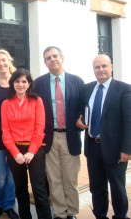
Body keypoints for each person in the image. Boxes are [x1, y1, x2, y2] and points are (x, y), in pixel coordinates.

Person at [76, 54, 131, 219]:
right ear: (93, 69)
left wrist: (127, 149)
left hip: (115, 149)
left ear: (111, 67)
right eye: (97, 67)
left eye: (104, 66)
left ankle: (120, 215)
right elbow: (81, 113)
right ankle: (100, 215)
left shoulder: (124, 89)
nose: (101, 70)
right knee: (97, 186)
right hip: (92, 146)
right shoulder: (87, 89)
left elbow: (129, 121)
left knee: (117, 186)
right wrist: (78, 123)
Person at [34, 46, 84, 219]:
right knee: (54, 178)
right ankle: (60, 212)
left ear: (62, 58)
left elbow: (83, 107)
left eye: (55, 56)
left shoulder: (76, 81)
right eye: (48, 58)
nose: (52, 59)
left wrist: (82, 121)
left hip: (70, 136)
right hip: (49, 137)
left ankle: (72, 212)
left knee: (70, 179)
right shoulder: (39, 83)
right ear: (45, 62)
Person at [1, 69, 52, 219]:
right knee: (21, 188)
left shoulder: (37, 101)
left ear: (29, 84)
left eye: (24, 81)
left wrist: (32, 151)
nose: (21, 84)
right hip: (14, 150)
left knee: (39, 188)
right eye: (17, 81)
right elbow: (5, 131)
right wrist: (15, 153)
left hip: (34, 149)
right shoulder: (6, 104)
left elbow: (40, 128)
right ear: (13, 83)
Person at [0, 49, 18, 219]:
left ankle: (8, 205)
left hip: (17, 136)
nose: (1, 64)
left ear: (9, 61)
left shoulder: (18, 81)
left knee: (12, 175)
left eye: (3, 60)